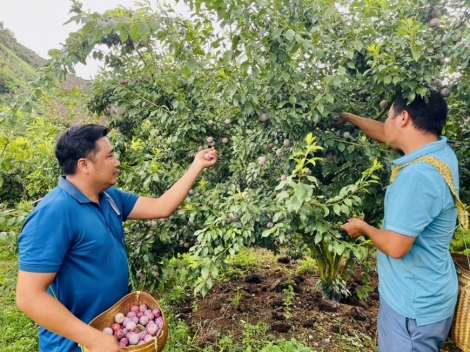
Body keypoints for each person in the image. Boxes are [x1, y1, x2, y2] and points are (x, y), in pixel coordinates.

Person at [16, 124, 218, 352]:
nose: (117, 162)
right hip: (73, 345)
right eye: (110, 156)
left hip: (113, 334)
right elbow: (29, 297)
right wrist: (92, 339)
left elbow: (162, 206)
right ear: (84, 165)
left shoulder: (110, 198)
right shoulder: (54, 214)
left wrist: (197, 165)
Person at [337, 91, 459, 352]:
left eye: (390, 115)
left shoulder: (417, 175)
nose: (387, 123)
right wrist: (349, 118)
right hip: (424, 294)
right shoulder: (438, 152)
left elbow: (396, 246)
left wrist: (364, 227)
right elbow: (387, 133)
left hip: (412, 311)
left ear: (403, 117)